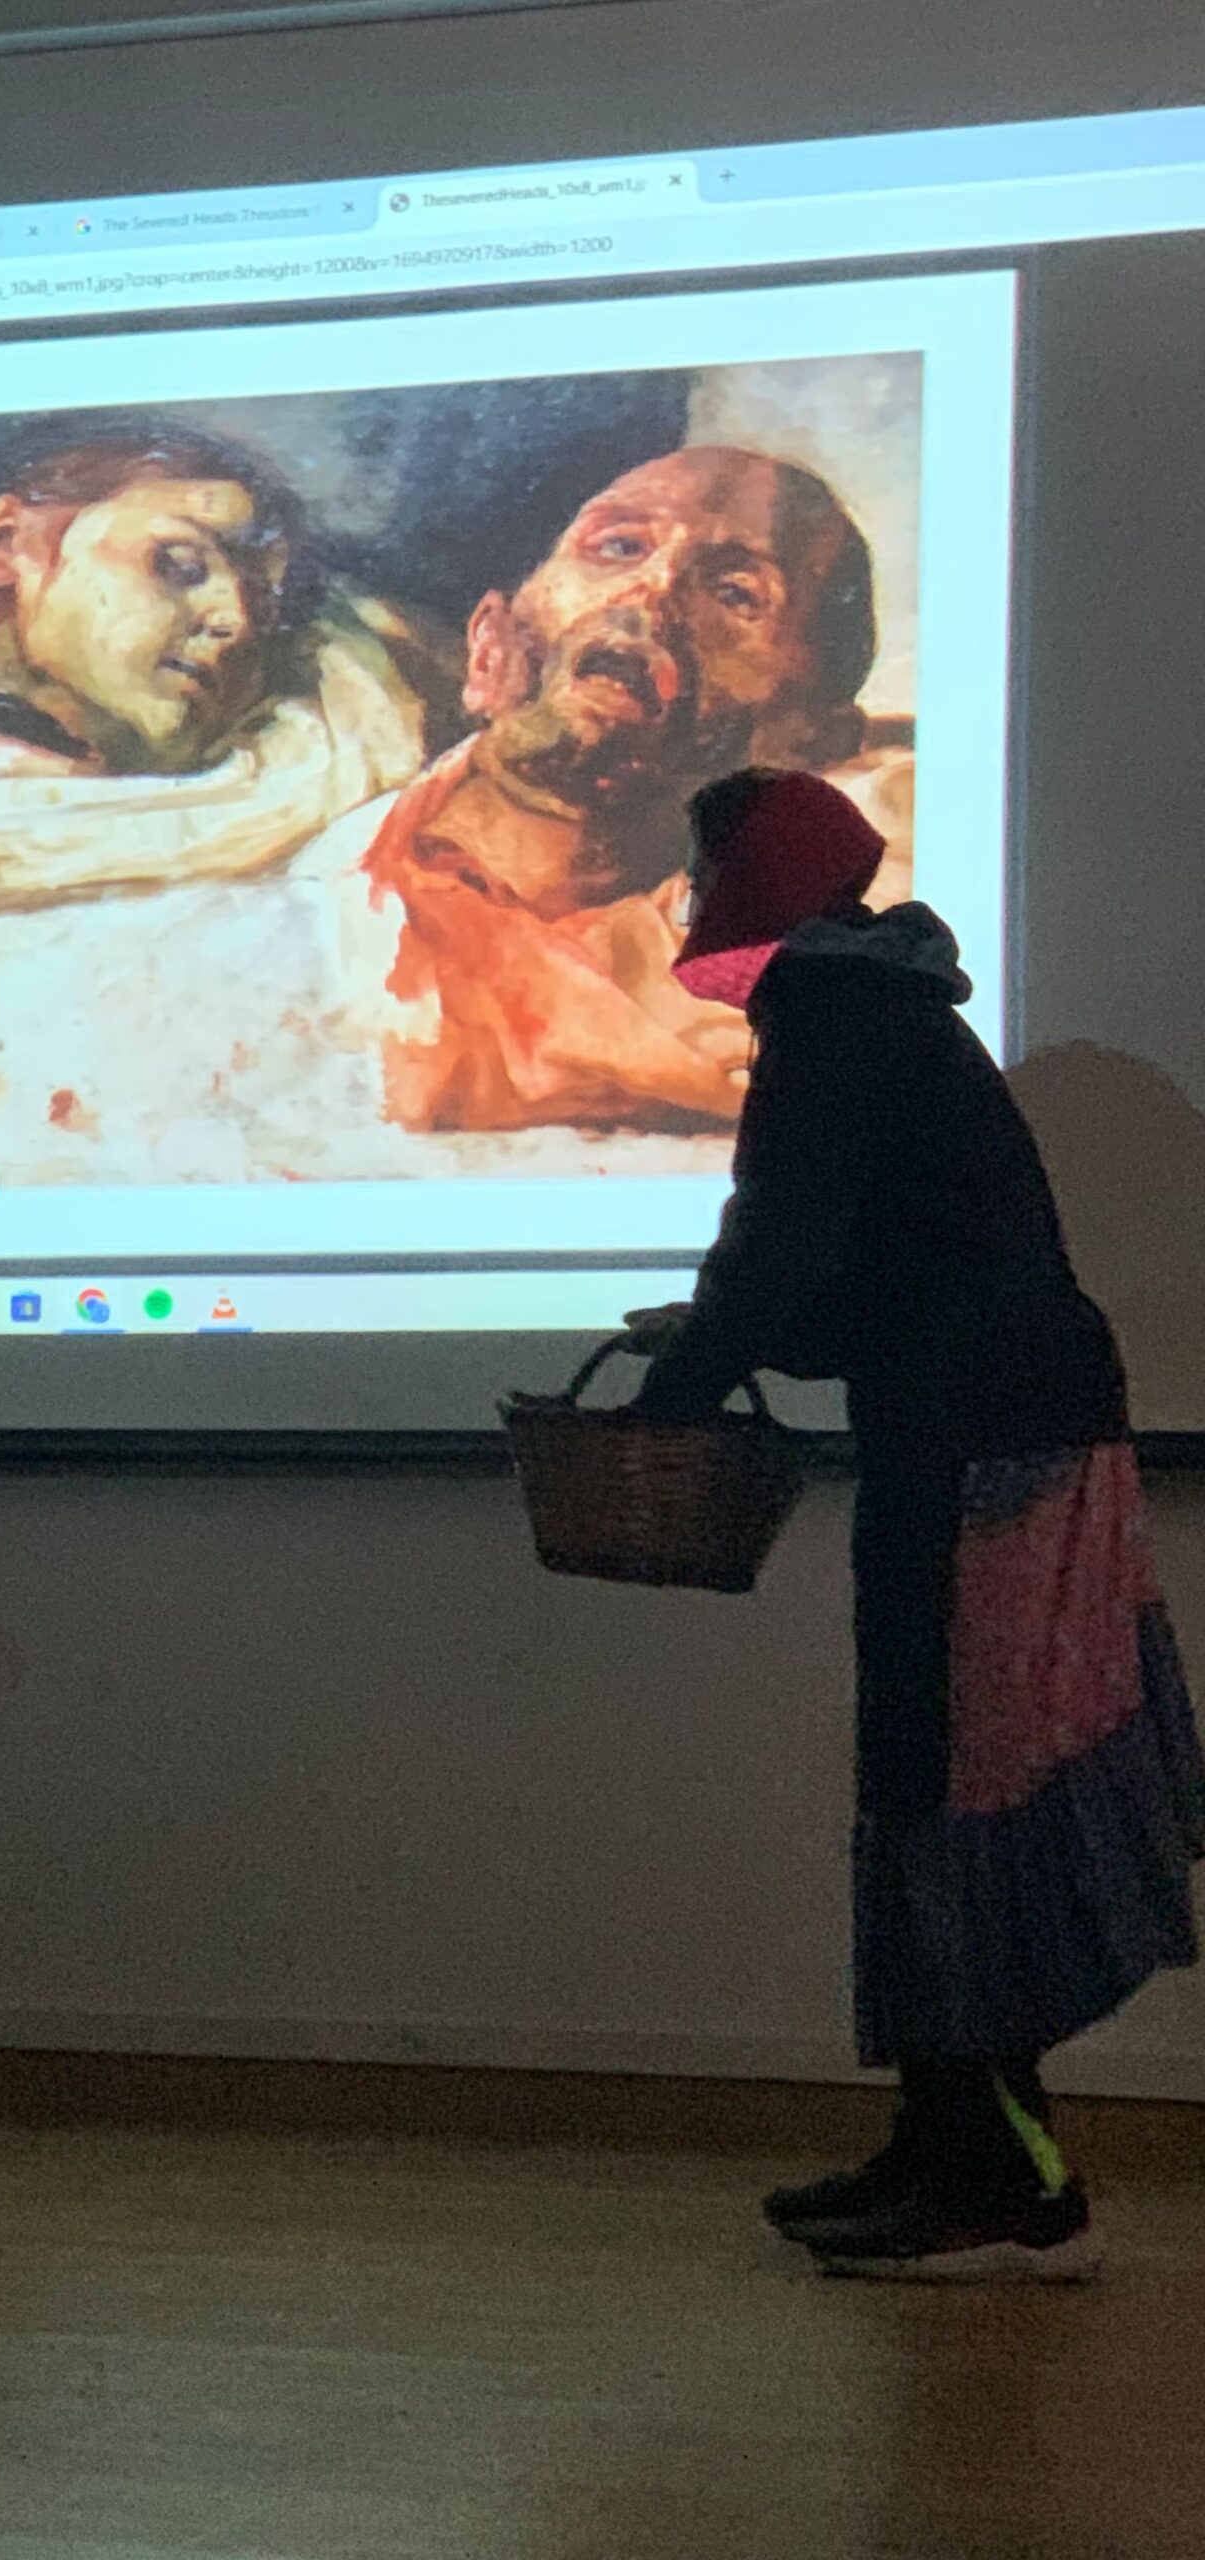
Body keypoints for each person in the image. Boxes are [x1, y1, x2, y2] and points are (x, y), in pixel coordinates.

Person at [628, 767, 1205, 2280]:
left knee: (954, 1785)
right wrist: (718, 1343)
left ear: (756, 876)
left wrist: (676, 1391)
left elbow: (779, 1246)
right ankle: (948, 2136)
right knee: (928, 1775)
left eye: (701, 863)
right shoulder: (879, 1006)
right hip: (993, 1429)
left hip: (988, 1454)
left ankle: (1003, 2179)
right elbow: (871, 1279)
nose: (687, 894)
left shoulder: (837, 1016)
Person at [324, 447, 913, 1136]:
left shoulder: (842, 951)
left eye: (735, 593)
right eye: (619, 546)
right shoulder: (295, 919)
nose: (652, 591)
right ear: (488, 648)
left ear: (810, 743)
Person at [0, 425, 448, 924]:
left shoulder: (319, 770)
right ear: (7, 541)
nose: (238, 622)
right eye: (180, 565)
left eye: (264, 605)